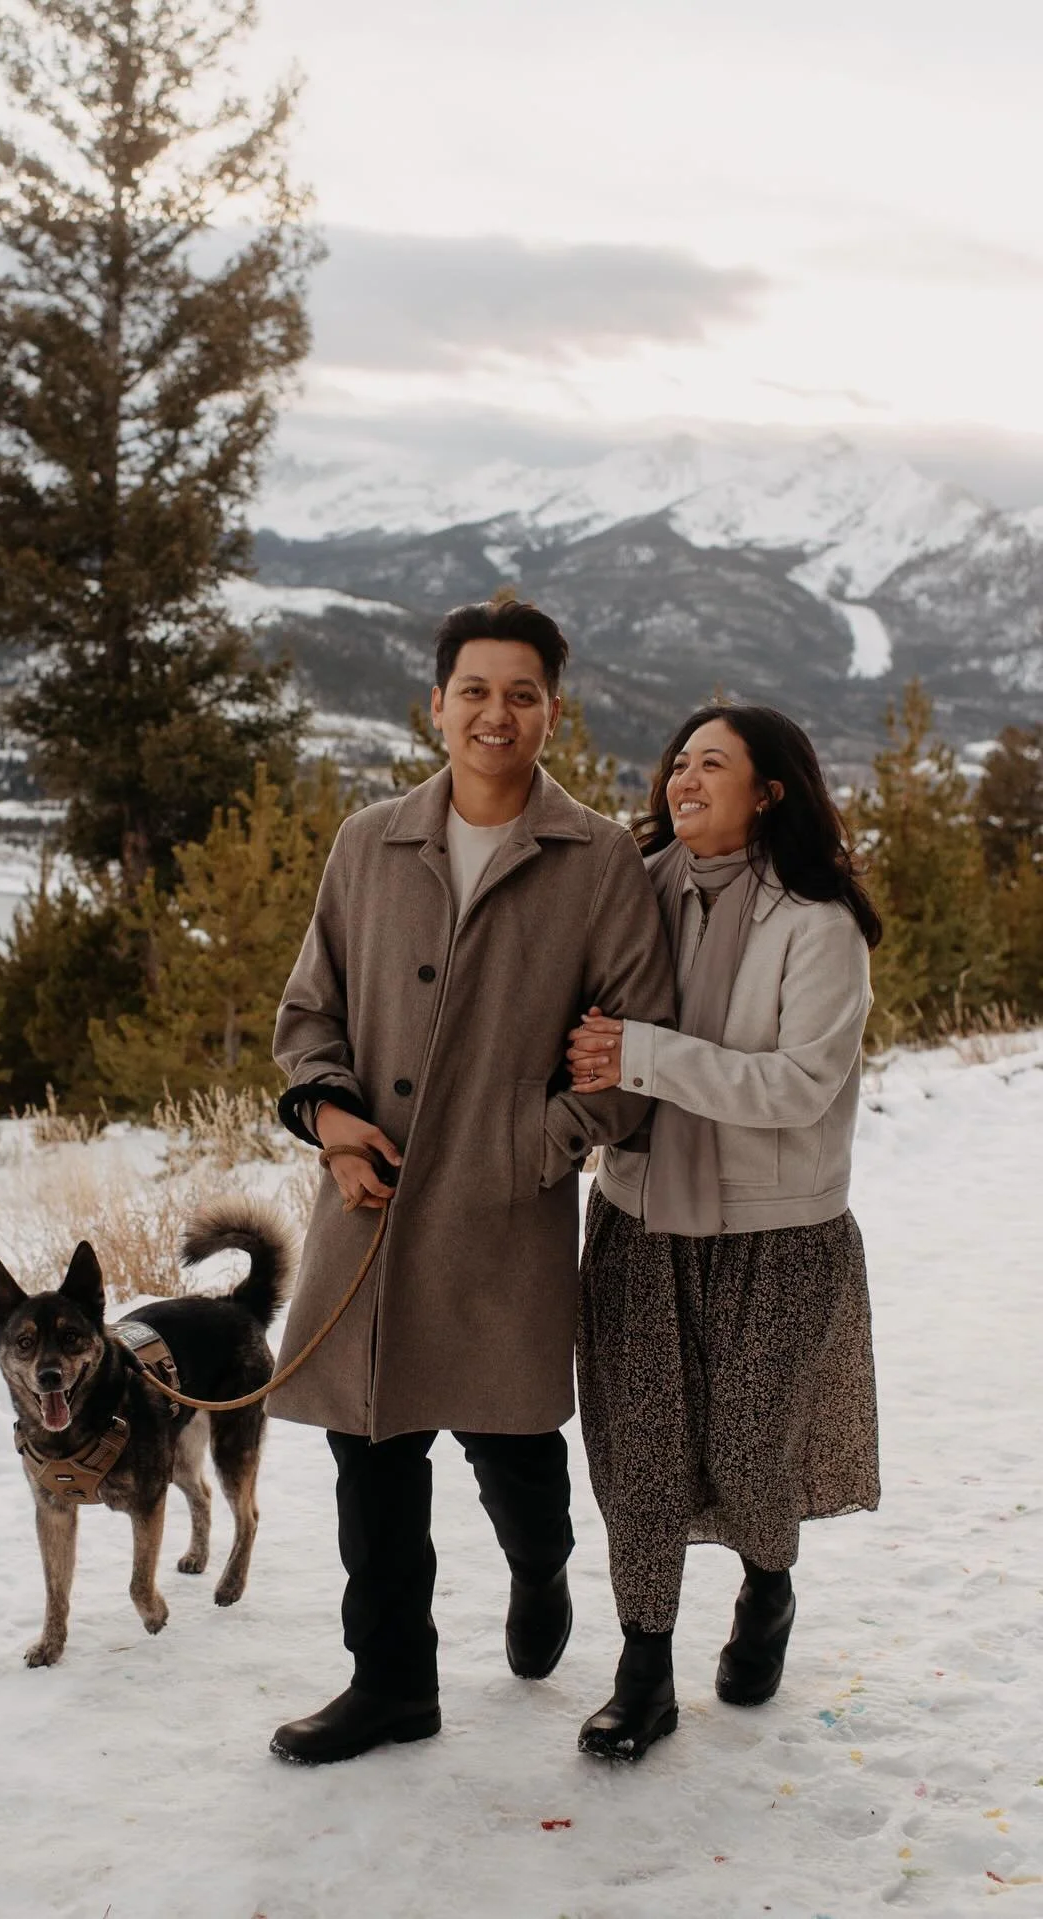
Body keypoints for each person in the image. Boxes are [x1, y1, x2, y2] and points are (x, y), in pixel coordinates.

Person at [266, 595, 676, 1765]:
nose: (498, 713)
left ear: (554, 710)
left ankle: (541, 1567)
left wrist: (525, 1147)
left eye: (523, 693)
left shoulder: (598, 860)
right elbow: (309, 1014)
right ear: (436, 704)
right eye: (476, 691)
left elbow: (633, 1053)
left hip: (504, 1220)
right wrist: (332, 1121)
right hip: (370, 1215)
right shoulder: (368, 842)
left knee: (517, 1450)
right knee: (370, 1458)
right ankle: (393, 1682)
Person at [566, 703, 883, 1763]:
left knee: (752, 1451)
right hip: (640, 1215)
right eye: (679, 762)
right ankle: (643, 1670)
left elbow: (799, 1085)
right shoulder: (632, 889)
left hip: (776, 1234)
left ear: (769, 790)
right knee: (641, 1457)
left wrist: (643, 1054)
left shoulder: (818, 922)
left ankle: (768, 1583)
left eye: (714, 763)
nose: (685, 778)